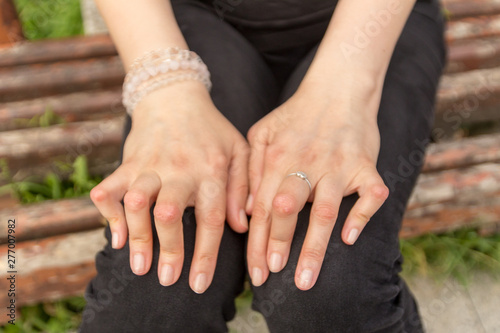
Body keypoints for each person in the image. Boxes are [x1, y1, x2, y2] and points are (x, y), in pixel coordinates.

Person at [80, 0, 445, 331]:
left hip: (374, 21)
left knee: (326, 286)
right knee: (151, 295)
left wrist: (346, 91)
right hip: (186, 22)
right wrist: (165, 89)